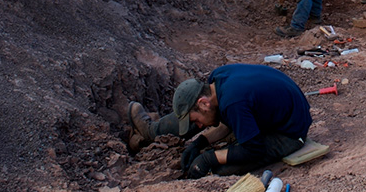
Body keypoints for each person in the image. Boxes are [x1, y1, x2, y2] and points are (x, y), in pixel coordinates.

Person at [127, 65, 312, 178]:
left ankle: (148, 134)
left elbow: (253, 149)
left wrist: (208, 158)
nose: (199, 127)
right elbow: (227, 118)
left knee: (223, 169)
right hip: (263, 112)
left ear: (203, 103)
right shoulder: (217, 79)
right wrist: (201, 142)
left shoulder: (233, 102)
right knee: (201, 117)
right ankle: (150, 132)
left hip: (289, 133)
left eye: (196, 122)